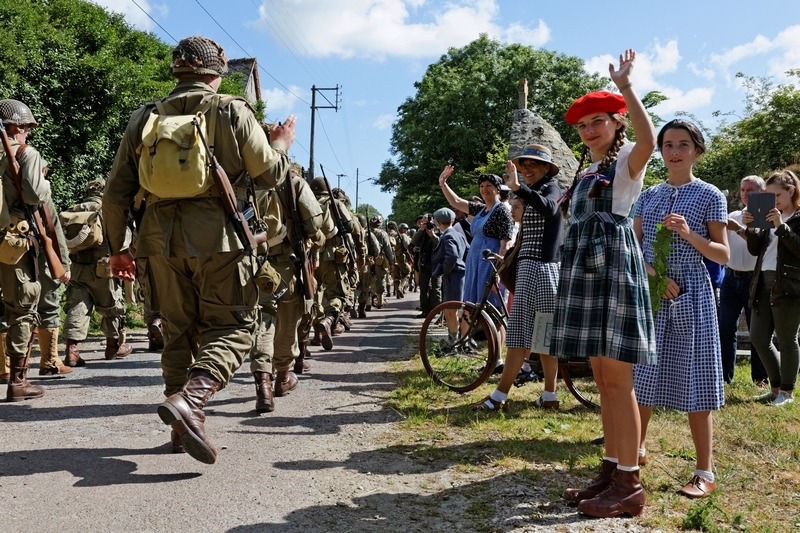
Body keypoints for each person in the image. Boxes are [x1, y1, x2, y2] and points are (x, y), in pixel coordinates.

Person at [103, 36, 294, 464]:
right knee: (232, 327)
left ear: (178, 70)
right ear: (216, 72)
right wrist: (281, 142)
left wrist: (118, 250)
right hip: (222, 239)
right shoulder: (231, 109)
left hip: (157, 243)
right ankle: (193, 399)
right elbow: (269, 175)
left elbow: (115, 196)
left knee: (177, 331)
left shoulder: (143, 118)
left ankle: (183, 425)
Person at [554, 50, 657, 518]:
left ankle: (630, 484)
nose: (590, 130)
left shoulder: (624, 168)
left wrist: (627, 88)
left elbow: (649, 140)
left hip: (612, 271)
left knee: (619, 381)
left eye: (599, 121)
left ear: (616, 124)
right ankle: (613, 467)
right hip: (585, 274)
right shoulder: (584, 172)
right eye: (583, 125)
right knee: (601, 378)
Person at [634, 119, 729, 500]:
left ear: (697, 150)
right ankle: (632, 454)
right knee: (642, 377)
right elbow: (634, 243)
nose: (674, 151)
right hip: (653, 293)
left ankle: (704, 470)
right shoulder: (650, 195)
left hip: (693, 293)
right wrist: (652, 272)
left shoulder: (710, 195)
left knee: (697, 380)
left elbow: (723, 254)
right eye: (668, 144)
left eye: (683, 144)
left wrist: (690, 234)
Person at [471, 144, 563, 412]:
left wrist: (518, 188)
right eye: (524, 165)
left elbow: (548, 209)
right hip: (541, 270)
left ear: (547, 168)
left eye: (533, 164)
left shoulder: (550, 189)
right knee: (542, 336)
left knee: (520, 336)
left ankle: (499, 397)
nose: (527, 169)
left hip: (537, 269)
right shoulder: (539, 191)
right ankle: (550, 396)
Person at [0, 98, 69, 400]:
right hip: (13, 244)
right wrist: (43, 179)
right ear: (15, 127)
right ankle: (18, 381)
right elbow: (34, 196)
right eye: (27, 127)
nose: (28, 133)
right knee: (22, 308)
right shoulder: (26, 154)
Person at [743, 170, 800, 406]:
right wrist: (749, 230)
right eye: (768, 195)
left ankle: (787, 392)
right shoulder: (767, 216)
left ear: (791, 192)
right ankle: (775, 388)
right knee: (758, 336)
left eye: (777, 194)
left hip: (788, 284)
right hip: (762, 282)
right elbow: (757, 250)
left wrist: (781, 226)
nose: (772, 200)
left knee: (787, 340)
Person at [61, 179, 132, 364]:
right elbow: (122, 238)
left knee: (77, 306)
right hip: (104, 267)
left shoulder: (74, 209)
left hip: (77, 267)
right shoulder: (108, 209)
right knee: (112, 307)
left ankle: (72, 351)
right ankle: (112, 348)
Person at [439, 170, 514, 314]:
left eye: (489, 185)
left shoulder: (502, 211)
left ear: (497, 188)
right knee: (472, 305)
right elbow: (456, 202)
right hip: (475, 261)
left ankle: (496, 337)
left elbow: (505, 245)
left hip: (489, 263)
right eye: (482, 186)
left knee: (492, 308)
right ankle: (472, 336)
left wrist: (498, 272)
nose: (484, 189)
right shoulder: (480, 209)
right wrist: (443, 184)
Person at [718, 176, 769, 385]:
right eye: (742, 190)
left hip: (754, 281)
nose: (745, 194)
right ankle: (723, 377)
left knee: (758, 332)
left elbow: (760, 246)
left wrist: (738, 229)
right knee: (725, 328)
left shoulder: (766, 218)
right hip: (730, 278)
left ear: (762, 193)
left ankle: (760, 378)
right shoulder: (732, 215)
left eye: (750, 190)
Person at [430, 208, 468, 346]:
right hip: (460, 274)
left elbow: (451, 256)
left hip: (453, 275)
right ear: (452, 221)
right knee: (453, 309)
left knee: (450, 310)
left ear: (438, 222)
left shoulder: (447, 236)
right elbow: (467, 252)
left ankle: (453, 341)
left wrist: (445, 269)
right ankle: (455, 339)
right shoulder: (459, 235)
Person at [410, 214, 440, 316]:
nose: (425, 223)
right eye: (423, 221)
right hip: (424, 263)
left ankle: (436, 310)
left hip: (436, 264)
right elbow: (413, 242)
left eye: (427, 221)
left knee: (436, 288)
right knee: (423, 288)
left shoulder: (438, 230)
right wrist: (421, 230)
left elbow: (440, 245)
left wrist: (432, 235)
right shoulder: (421, 232)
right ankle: (425, 310)